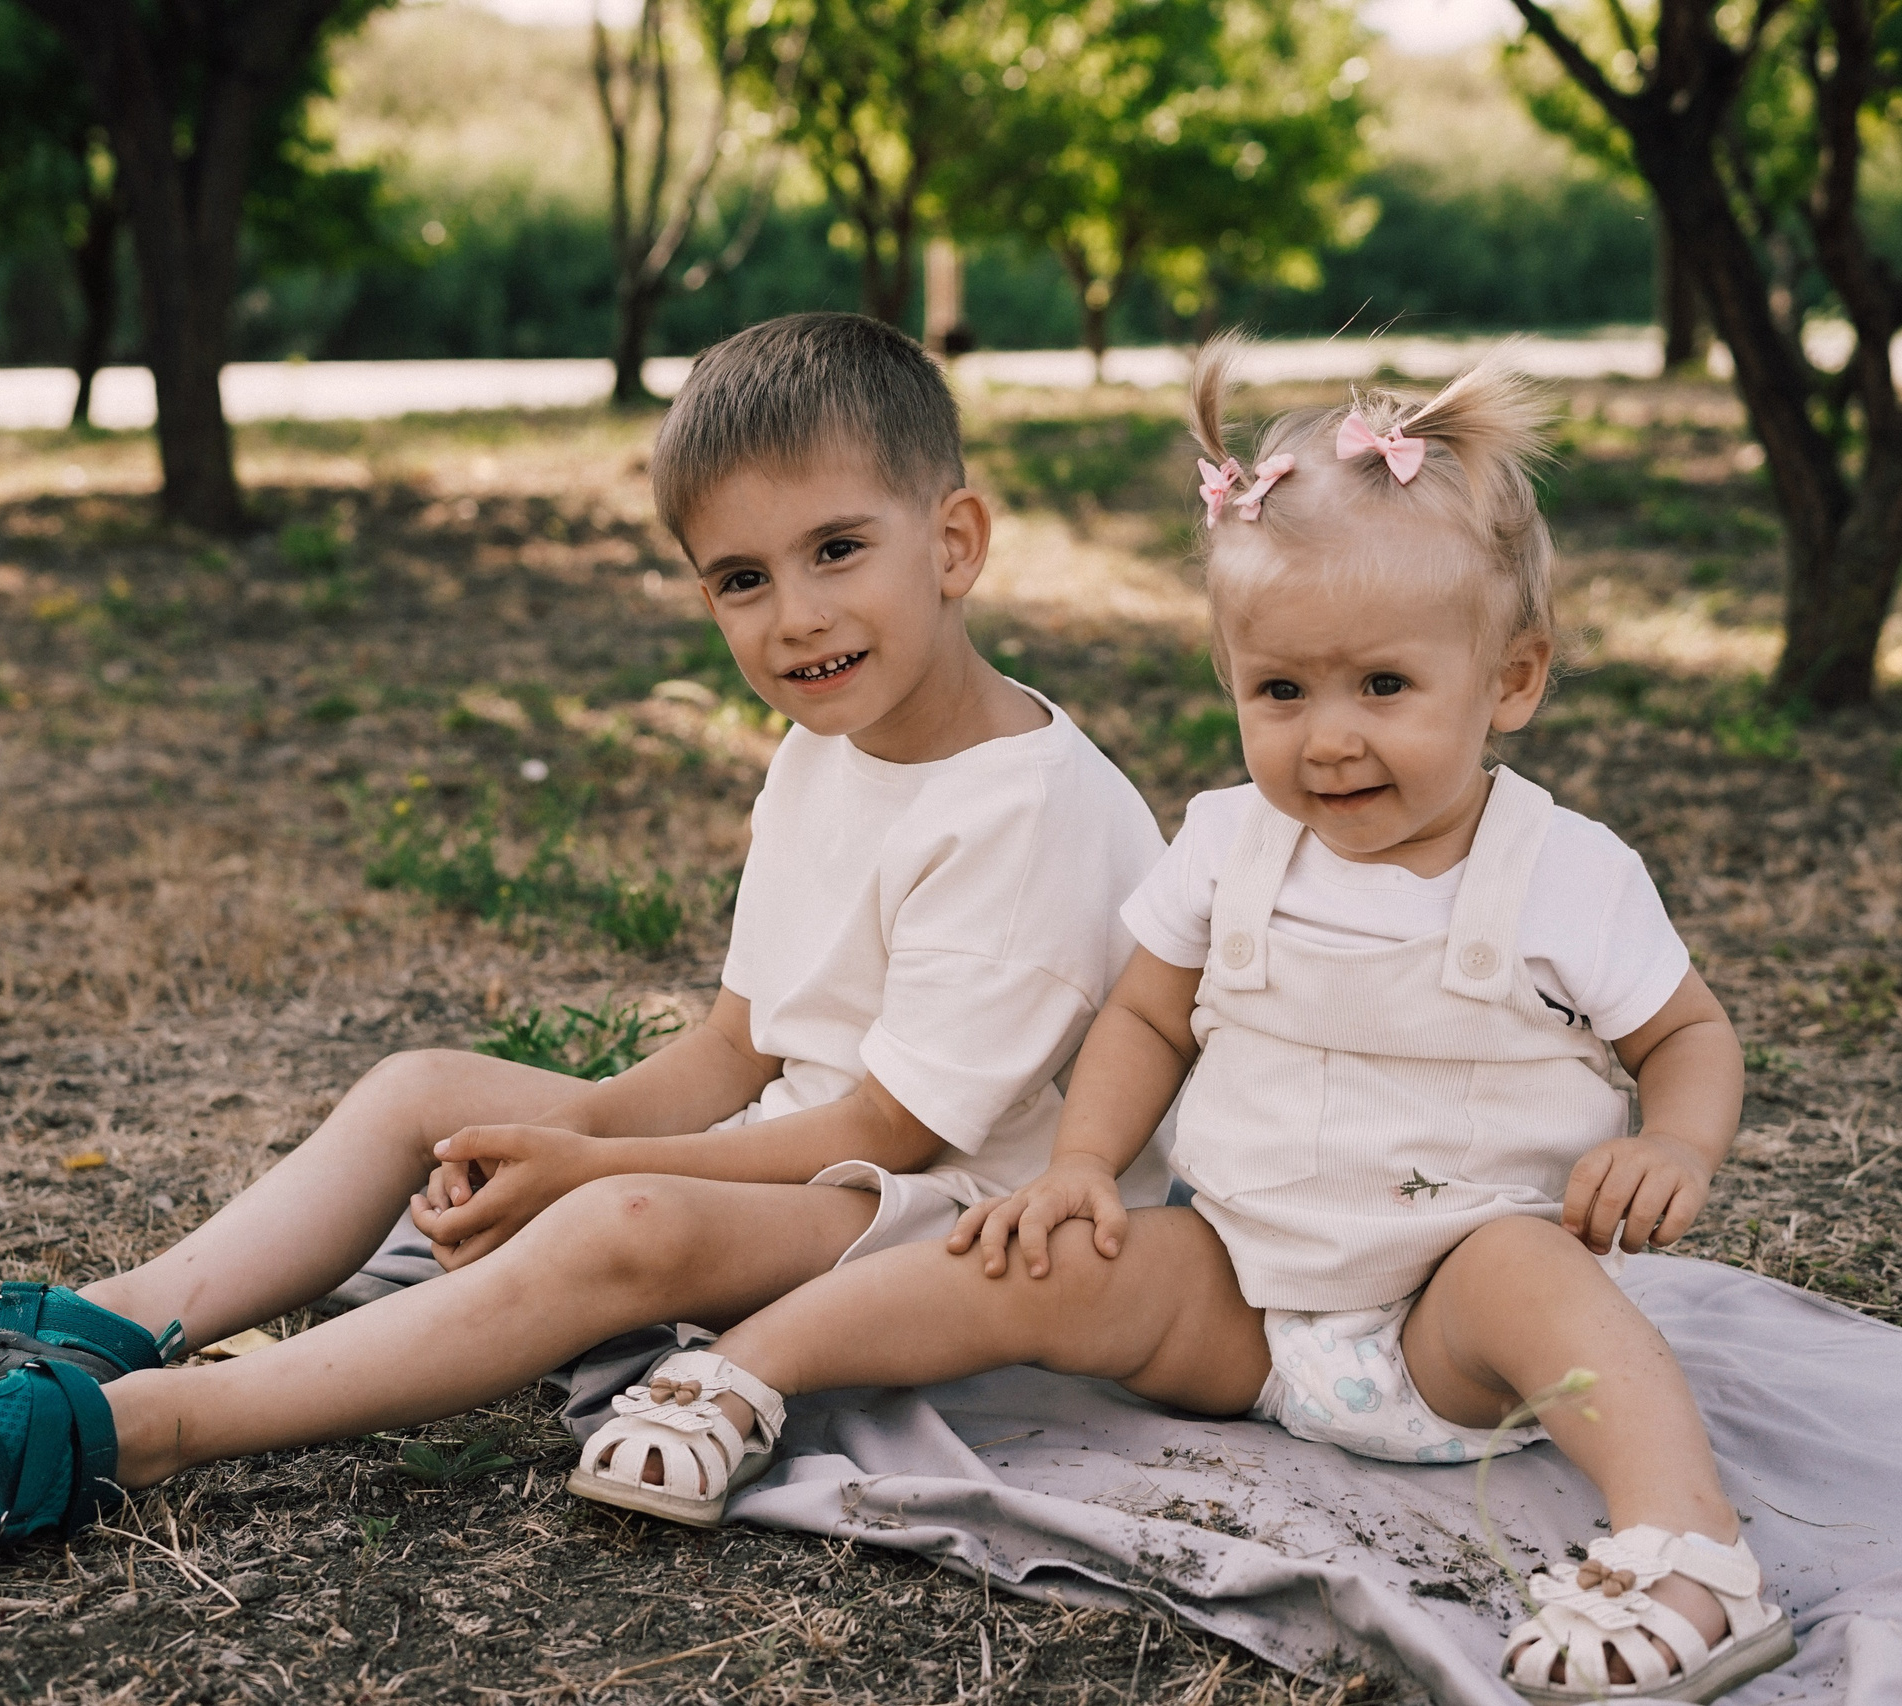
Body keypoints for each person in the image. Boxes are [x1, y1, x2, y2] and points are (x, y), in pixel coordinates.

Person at [0, 311, 1172, 1578]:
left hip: (948, 1226)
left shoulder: (1024, 809)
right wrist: (562, 1137)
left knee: (621, 1217)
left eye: (836, 550)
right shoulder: (828, 750)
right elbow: (731, 1044)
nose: (795, 614)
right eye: (742, 579)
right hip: (810, 1148)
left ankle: (131, 1429)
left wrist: (594, 1164)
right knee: (423, 1090)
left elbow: (893, 1128)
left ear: (954, 542)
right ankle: (109, 1321)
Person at [565, 339, 1796, 1704]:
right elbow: (1144, 1017)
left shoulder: (1564, 872)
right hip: (1244, 1298)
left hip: (1448, 1326)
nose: (1329, 738)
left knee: (1530, 1267)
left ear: (1510, 680)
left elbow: (1687, 1034)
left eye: (1383, 687)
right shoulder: (1228, 843)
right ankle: (749, 1367)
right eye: (1280, 691)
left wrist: (1677, 1145)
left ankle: (1691, 1549)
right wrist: (1084, 1165)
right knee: (1043, 1252)